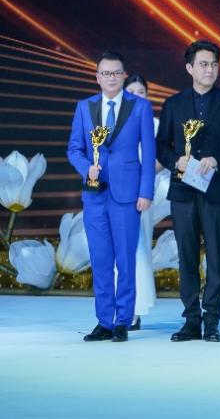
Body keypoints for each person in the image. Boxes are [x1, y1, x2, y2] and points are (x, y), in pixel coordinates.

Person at [157, 40, 220, 343]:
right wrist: (176, 161)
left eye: (214, 64)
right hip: (183, 191)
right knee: (186, 256)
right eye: (203, 64)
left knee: (216, 256)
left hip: (216, 190)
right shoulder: (174, 104)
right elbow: (161, 146)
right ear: (189, 68)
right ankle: (190, 320)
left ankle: (212, 321)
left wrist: (218, 160)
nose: (209, 69)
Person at [68, 51, 155, 342]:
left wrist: (145, 191)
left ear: (124, 75)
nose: (111, 78)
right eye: (105, 73)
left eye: (116, 73)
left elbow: (149, 152)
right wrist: (86, 168)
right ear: (97, 77)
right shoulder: (85, 107)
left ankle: (122, 321)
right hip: (94, 194)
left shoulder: (140, 107)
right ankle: (104, 321)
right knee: (101, 259)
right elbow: (74, 149)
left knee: (125, 260)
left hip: (127, 195)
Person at [122, 73, 160, 331]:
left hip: (142, 193)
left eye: (141, 92)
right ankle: (122, 307)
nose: (136, 96)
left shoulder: (154, 124)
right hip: (117, 193)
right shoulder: (114, 122)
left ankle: (135, 309)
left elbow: (162, 158)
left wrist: (140, 178)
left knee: (138, 247)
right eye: (131, 92)